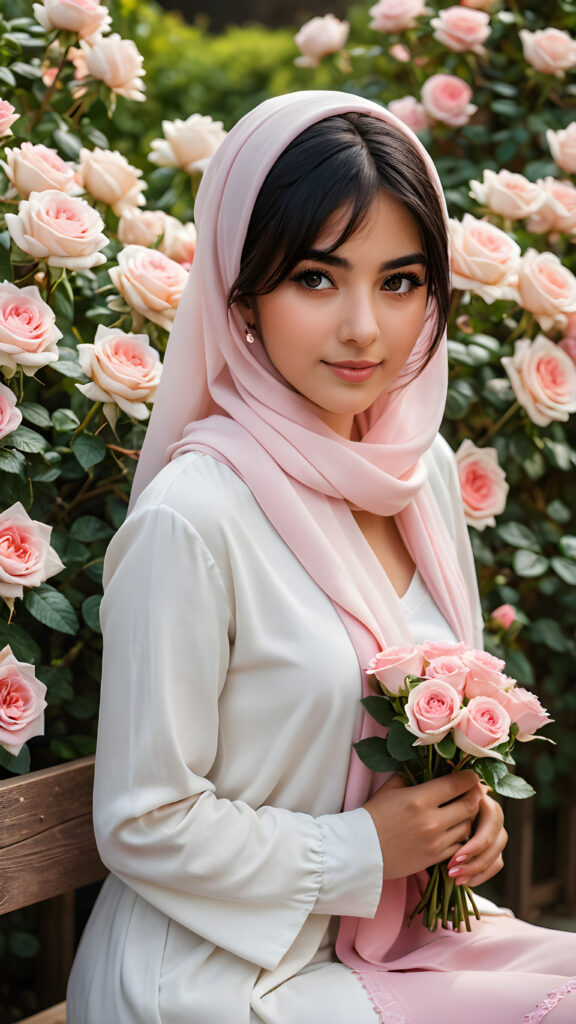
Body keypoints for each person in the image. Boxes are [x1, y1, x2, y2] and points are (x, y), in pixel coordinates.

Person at [67, 91, 576, 1024]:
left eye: (399, 281)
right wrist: (364, 851)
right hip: (218, 976)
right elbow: (140, 822)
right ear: (242, 290)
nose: (363, 330)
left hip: (401, 941)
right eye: (315, 277)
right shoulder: (195, 519)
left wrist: (460, 819)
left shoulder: (416, 472)